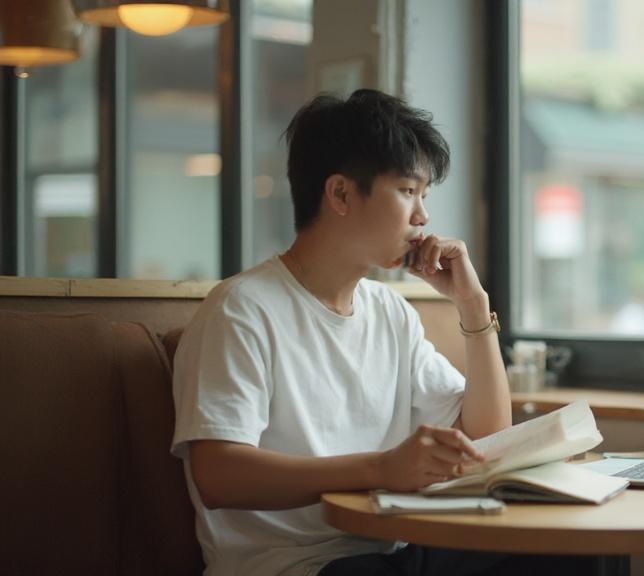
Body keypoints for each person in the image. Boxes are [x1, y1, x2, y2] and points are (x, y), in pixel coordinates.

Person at [171, 89, 563, 576]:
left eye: (425, 195)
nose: (423, 217)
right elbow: (219, 475)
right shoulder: (242, 310)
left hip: (390, 551)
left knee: (566, 551)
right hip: (295, 565)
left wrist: (473, 306)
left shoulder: (389, 312)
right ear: (339, 194)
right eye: (407, 191)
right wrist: (380, 468)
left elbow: (487, 434)